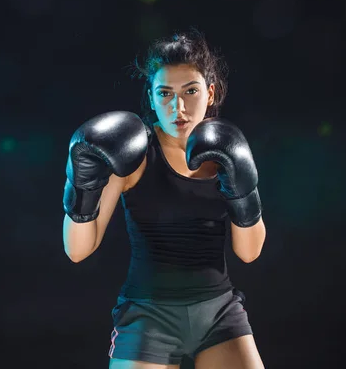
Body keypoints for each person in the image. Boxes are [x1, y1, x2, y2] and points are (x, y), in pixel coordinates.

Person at [63, 30, 267, 369]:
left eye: (191, 91)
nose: (179, 108)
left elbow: (249, 252)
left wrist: (243, 188)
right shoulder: (134, 153)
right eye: (165, 94)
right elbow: (78, 250)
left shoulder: (226, 151)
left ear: (210, 92)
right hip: (148, 315)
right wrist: (81, 185)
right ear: (152, 97)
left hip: (219, 312)